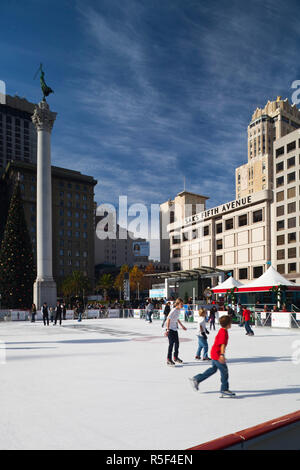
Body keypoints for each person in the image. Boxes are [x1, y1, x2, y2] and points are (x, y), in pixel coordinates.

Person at [189, 315, 236, 397]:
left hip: (214, 353)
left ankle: (197, 379)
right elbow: (222, 345)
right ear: (228, 324)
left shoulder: (222, 330)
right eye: (230, 322)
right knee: (224, 371)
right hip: (217, 355)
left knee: (213, 369)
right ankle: (224, 389)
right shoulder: (223, 332)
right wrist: (222, 355)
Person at [165, 298, 187, 366]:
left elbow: (177, 319)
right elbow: (168, 319)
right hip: (170, 329)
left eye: (183, 304)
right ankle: (169, 359)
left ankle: (175, 357)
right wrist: (167, 330)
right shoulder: (173, 310)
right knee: (171, 344)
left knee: (177, 343)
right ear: (177, 304)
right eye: (181, 304)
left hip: (174, 329)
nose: (182, 305)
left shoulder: (178, 310)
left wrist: (182, 326)